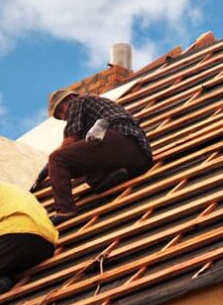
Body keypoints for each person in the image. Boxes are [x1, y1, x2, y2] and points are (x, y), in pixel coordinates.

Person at [45, 88, 152, 224]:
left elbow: (70, 140)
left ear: (70, 98)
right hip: (140, 157)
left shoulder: (78, 102)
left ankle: (65, 210)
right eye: (60, 117)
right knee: (91, 177)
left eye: (61, 110)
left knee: (57, 159)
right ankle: (115, 172)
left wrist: (52, 165)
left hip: (118, 140)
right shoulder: (94, 107)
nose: (64, 116)